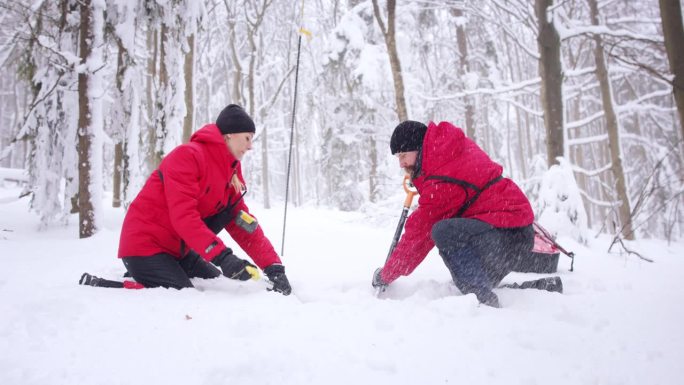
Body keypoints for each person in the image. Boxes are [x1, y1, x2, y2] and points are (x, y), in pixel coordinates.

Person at [83, 104, 291, 295]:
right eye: (247, 138)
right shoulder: (188, 157)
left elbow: (242, 223)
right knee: (183, 294)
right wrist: (223, 257)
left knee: (217, 282)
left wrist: (273, 267)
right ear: (229, 135)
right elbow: (185, 218)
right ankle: (120, 286)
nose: (250, 146)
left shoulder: (231, 175)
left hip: (178, 251)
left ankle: (155, 275)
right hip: (145, 247)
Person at [372, 120, 560, 307]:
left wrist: (386, 274)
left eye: (404, 155)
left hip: (506, 234)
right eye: (398, 157)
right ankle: (538, 288)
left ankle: (482, 301)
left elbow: (418, 236)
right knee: (468, 276)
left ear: (419, 148)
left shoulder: (440, 174)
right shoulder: (445, 152)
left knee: (444, 233)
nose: (401, 163)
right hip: (510, 231)